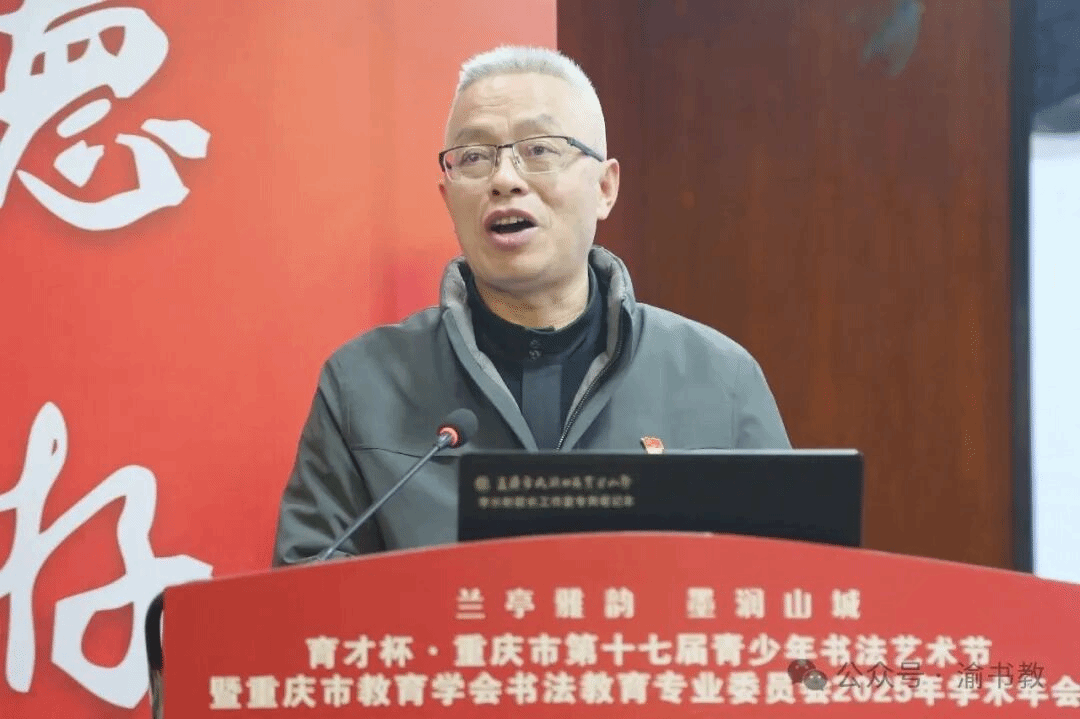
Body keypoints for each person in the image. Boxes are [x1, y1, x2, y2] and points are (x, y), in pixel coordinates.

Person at [272, 46, 789, 566]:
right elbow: (308, 599)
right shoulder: (363, 385)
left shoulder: (721, 380)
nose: (504, 179)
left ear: (605, 187)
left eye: (539, 149)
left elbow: (788, 583)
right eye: (474, 157)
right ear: (448, 197)